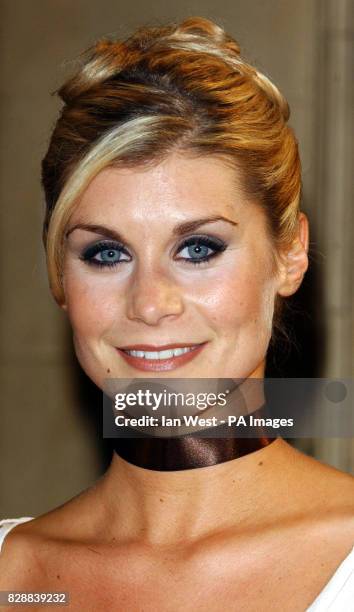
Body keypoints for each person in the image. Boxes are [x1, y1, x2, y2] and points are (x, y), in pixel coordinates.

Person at [0, 16, 353, 611]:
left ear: (289, 255)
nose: (150, 304)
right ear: (60, 274)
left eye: (198, 248)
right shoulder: (15, 573)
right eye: (106, 253)